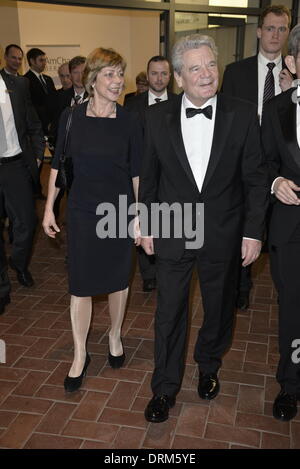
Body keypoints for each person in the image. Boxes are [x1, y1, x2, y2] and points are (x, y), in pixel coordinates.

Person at [139, 34, 269, 423]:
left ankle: (209, 363)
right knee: (169, 313)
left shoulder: (243, 113)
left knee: (218, 309)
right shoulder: (155, 117)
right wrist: (146, 223)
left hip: (224, 233)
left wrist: (252, 231)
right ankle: (164, 387)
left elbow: (256, 179)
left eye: (211, 65)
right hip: (173, 229)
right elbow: (150, 178)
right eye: (195, 68)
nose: (206, 74)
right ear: (179, 77)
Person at [42, 47, 142, 393]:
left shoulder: (130, 120)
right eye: (110, 75)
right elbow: (58, 164)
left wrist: (140, 213)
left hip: (118, 211)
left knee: (118, 280)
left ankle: (114, 335)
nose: (118, 82)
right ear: (93, 79)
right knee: (80, 285)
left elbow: (137, 172)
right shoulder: (71, 117)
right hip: (83, 211)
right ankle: (80, 353)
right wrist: (49, 207)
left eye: (120, 74)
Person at [222, 4, 292, 310]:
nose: (275, 34)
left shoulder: (296, 75)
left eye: (282, 29)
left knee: (281, 232)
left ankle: (287, 289)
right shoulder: (236, 72)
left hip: (284, 170)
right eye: (271, 28)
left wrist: (296, 89)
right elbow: (223, 121)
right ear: (259, 31)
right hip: (244, 167)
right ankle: (240, 286)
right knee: (243, 228)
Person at [261, 24, 300, 421]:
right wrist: (275, 183)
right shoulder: (276, 108)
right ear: (293, 61)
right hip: (290, 228)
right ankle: (291, 383)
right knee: (292, 307)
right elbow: (264, 162)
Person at [125, 56, 177, 293]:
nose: (159, 78)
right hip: (141, 175)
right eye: (154, 73)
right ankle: (148, 273)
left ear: (171, 75)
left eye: (163, 73)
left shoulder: (180, 103)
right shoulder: (133, 105)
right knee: (144, 220)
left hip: (171, 176)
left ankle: (168, 265)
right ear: (148, 75)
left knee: (168, 221)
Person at [0, 69, 45, 315]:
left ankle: (18, 263)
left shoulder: (18, 85)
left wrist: (38, 155)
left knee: (27, 222)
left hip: (15, 164)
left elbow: (33, 123)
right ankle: (2, 285)